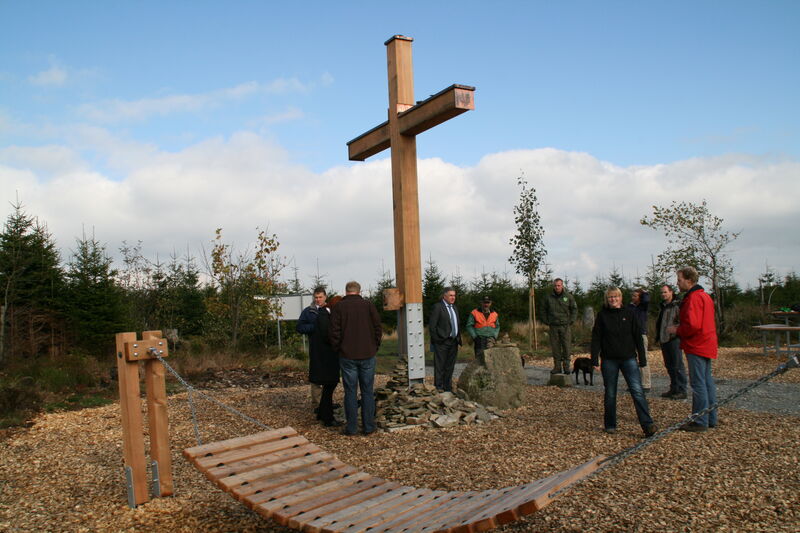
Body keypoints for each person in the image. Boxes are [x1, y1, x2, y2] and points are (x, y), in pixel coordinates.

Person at [591, 287, 657, 437]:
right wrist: (594, 358)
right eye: (610, 297)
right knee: (610, 392)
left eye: (615, 297)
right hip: (609, 359)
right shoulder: (602, 316)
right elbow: (596, 338)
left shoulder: (630, 313)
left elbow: (638, 336)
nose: (613, 299)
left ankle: (647, 424)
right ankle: (610, 424)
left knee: (637, 391)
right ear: (607, 299)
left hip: (628, 358)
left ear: (620, 298)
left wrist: (642, 357)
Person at [668, 267, 718, 432]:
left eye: (680, 279)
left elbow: (693, 325)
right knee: (706, 381)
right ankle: (711, 417)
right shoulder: (705, 296)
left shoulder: (693, 298)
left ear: (689, 280)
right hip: (707, 343)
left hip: (697, 344)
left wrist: (677, 330)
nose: (678, 282)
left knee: (698, 383)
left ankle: (700, 420)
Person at [329, 281, 382, 436]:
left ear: (346, 292)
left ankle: (351, 427)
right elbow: (378, 327)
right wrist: (374, 346)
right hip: (367, 354)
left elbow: (334, 332)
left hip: (347, 355)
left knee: (350, 392)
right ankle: (368, 426)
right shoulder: (369, 305)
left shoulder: (339, 307)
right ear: (360, 291)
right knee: (367, 391)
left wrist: (338, 349)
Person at [310, 295, 343, 427]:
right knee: (330, 385)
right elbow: (327, 336)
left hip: (324, 357)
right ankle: (328, 418)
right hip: (326, 358)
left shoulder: (324, 314)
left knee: (329, 387)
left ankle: (323, 413)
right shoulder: (324, 316)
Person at [296, 287, 327, 414]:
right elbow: (299, 327)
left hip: (330, 349)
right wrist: (314, 327)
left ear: (325, 297)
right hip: (315, 348)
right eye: (316, 297)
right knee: (316, 377)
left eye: (320, 297)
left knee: (329, 376)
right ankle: (317, 404)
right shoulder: (308, 312)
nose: (318, 300)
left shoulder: (331, 310)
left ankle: (327, 402)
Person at [656, 284, 687, 399]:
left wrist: (676, 330)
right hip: (664, 338)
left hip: (674, 339)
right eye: (662, 292)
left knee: (677, 364)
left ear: (671, 292)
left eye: (665, 292)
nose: (663, 294)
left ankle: (682, 390)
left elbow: (683, 320)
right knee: (669, 365)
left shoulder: (677, 305)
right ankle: (674, 388)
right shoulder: (663, 306)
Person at [428, 287, 462, 392]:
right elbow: (432, 326)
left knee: (450, 366)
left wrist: (458, 338)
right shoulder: (438, 307)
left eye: (454, 295)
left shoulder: (454, 308)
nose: (453, 297)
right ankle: (438, 388)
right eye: (451, 295)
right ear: (444, 296)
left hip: (453, 342)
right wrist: (437, 340)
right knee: (440, 366)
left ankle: (447, 388)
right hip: (442, 342)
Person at [542, 278, 578, 374]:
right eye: (555, 285)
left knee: (566, 347)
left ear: (562, 285)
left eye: (559, 285)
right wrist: (546, 321)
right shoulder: (548, 297)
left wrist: (571, 321)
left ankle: (566, 367)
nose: (557, 287)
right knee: (555, 347)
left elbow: (574, 309)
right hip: (553, 326)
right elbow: (543, 310)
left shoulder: (568, 297)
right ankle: (557, 367)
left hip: (565, 326)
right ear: (553, 286)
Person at [628, 288, 651, 392]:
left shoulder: (643, 307)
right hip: (630, 335)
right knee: (631, 360)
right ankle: (634, 383)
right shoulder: (629, 307)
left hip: (641, 334)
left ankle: (646, 384)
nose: (633, 297)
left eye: (635, 296)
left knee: (643, 359)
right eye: (632, 295)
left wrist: (643, 293)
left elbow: (646, 300)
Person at [466, 296, 500, 363]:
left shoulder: (495, 314)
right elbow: (469, 326)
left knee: (491, 360)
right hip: (479, 339)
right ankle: (479, 373)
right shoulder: (474, 312)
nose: (486, 304)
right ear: (481, 303)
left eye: (488, 302)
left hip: (491, 340)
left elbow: (497, 326)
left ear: (490, 303)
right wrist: (475, 337)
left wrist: (494, 336)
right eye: (484, 302)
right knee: (479, 360)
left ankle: (490, 373)